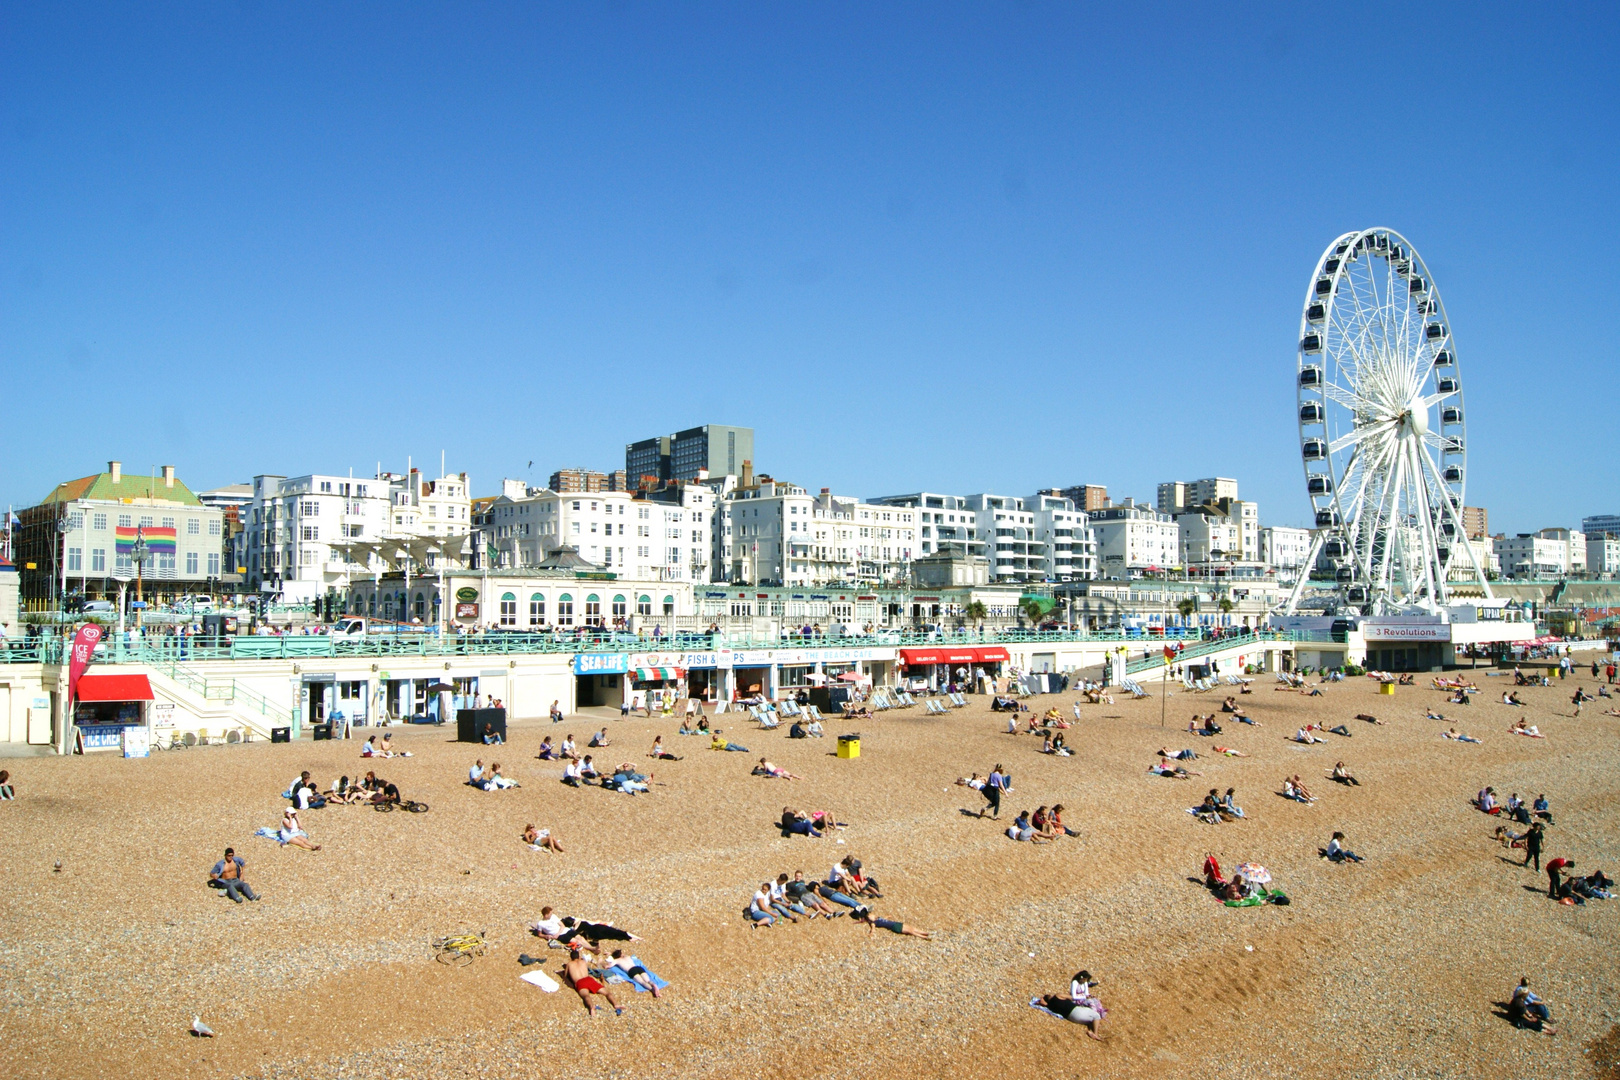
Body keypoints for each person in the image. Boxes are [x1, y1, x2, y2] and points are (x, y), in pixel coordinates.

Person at [563, 950, 624, 1016]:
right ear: (579, 956)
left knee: (586, 996)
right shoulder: (583, 961)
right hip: (589, 979)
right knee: (607, 993)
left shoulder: (569, 964)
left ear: (571, 957)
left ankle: (591, 1007)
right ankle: (616, 1004)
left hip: (579, 982)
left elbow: (565, 975)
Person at [851, 906, 934, 939]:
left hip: (895, 923)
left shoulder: (877, 918)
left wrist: (887, 916)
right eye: (870, 916)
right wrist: (871, 934)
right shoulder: (873, 923)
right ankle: (923, 936)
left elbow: (884, 919)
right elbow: (873, 929)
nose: (872, 915)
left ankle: (925, 933)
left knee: (911, 928)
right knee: (910, 931)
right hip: (894, 927)